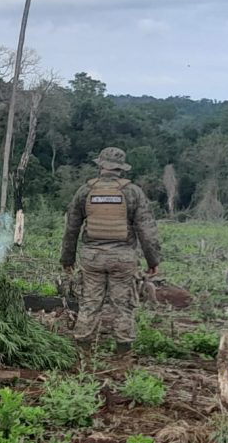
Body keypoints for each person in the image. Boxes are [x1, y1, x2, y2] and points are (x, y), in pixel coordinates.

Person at [60, 147, 161, 354]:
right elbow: (146, 229)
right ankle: (123, 353)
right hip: (123, 258)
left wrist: (67, 258)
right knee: (123, 305)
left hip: (92, 258)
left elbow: (71, 228)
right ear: (121, 168)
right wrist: (153, 261)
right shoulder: (132, 192)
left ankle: (83, 351)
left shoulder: (85, 191)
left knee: (89, 303)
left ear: (100, 165)